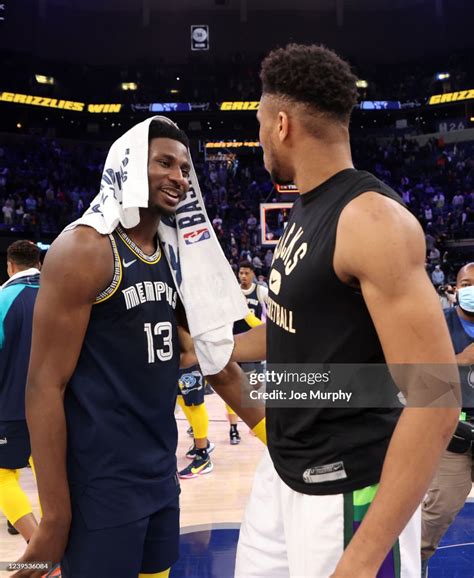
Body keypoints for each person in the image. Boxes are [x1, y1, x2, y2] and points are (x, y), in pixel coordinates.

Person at [231, 43, 460, 578]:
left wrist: (363, 558)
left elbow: (438, 398)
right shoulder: (305, 207)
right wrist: (208, 349)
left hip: (346, 488)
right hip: (284, 470)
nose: (259, 135)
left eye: (261, 122)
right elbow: (296, 327)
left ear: (282, 123)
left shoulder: (371, 220)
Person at [13, 120, 265, 578]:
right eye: (164, 163)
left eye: (186, 168)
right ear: (127, 169)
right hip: (100, 483)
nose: (180, 178)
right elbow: (44, 385)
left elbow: (216, 362)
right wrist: (55, 515)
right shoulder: (84, 248)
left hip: (160, 472)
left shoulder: (174, 257)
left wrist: (281, 442)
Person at [421, 262, 474, 577]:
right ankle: (416, 563)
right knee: (437, 513)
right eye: (466, 283)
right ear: (454, 288)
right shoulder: (435, 325)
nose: (471, 289)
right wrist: (461, 362)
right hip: (451, 434)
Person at [0, 241, 41, 543]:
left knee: (3, 477)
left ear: (10, 265)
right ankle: (61, 542)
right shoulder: (60, 295)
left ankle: (42, 551)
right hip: (59, 407)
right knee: (49, 474)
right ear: (38, 263)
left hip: (11, 406)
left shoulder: (3, 299)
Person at [229, 261, 268, 445]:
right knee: (232, 387)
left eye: (246, 273)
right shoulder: (233, 291)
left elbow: (272, 311)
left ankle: (257, 420)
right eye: (241, 273)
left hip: (253, 347)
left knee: (255, 387)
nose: (243, 276)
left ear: (253, 274)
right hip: (235, 345)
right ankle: (233, 428)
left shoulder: (261, 291)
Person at [176, 365, 215, 479]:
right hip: (175, 360)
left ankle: (203, 457)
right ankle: (202, 442)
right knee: (181, 398)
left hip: (189, 359)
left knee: (195, 404)